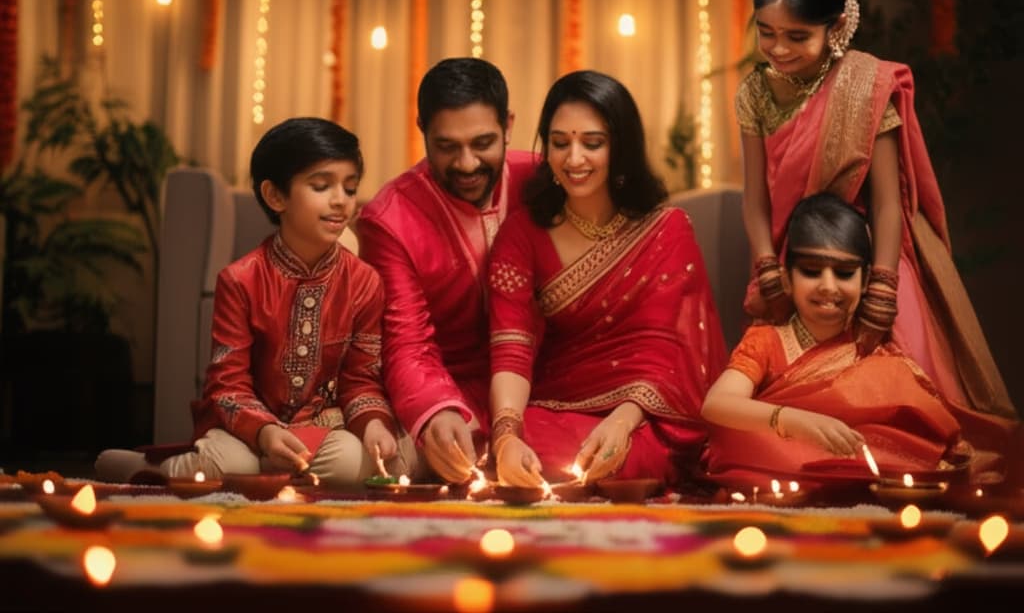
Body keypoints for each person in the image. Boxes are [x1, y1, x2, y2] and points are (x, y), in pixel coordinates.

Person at [735, 0, 1017, 442]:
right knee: (771, 420)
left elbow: (888, 202)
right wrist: (766, 265)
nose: (777, 49)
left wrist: (884, 289)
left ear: (835, 25)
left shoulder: (865, 86)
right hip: (793, 259)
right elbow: (755, 196)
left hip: (866, 260)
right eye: (766, 32)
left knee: (912, 415)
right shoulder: (755, 93)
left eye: (797, 36)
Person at [96, 117, 414, 487]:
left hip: (320, 434)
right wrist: (264, 433)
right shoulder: (240, 280)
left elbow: (361, 380)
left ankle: (261, 477)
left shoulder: (364, 282)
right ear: (275, 196)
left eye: (350, 187)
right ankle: (151, 470)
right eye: (321, 185)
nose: (340, 200)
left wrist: (374, 423)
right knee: (232, 464)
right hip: (244, 433)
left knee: (351, 462)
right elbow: (226, 383)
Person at [486, 70, 727, 489]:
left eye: (592, 143)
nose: (573, 159)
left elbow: (671, 353)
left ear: (621, 147)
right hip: (556, 406)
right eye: (560, 143)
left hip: (646, 416)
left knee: (620, 457)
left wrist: (623, 420)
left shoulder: (665, 230)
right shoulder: (522, 233)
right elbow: (511, 347)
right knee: (528, 452)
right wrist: (506, 435)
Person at [701, 192, 994, 488]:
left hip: (859, 474)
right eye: (812, 271)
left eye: (844, 273)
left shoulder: (872, 355)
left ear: (865, 281)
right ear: (787, 278)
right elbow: (716, 404)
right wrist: (795, 421)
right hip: (781, 468)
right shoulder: (767, 341)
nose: (829, 287)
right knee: (734, 436)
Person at [357, 58, 537, 483]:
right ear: (422, 130)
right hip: (454, 396)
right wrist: (436, 410)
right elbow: (406, 342)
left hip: (547, 388)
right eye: (447, 147)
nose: (468, 163)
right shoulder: (390, 218)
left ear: (508, 125)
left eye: (483, 142)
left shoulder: (545, 179)